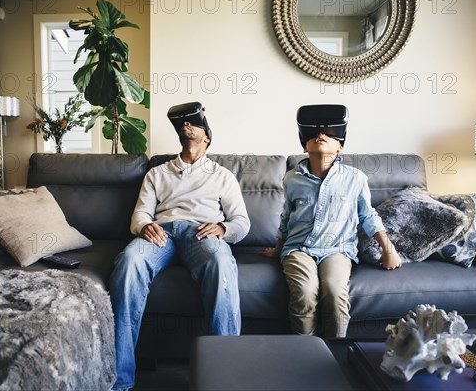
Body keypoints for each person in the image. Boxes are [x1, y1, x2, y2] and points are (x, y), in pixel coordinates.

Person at [109, 102, 250, 391]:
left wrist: (223, 228)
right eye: (182, 125)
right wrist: (144, 226)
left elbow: (242, 221)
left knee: (221, 263)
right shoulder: (157, 174)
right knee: (129, 261)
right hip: (162, 234)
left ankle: (225, 380)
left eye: (193, 124)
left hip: (202, 234)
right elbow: (140, 213)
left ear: (207, 136)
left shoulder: (223, 176)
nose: (186, 127)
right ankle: (119, 380)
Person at [262, 105, 401, 338]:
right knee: (305, 292)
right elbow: (286, 217)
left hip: (338, 250)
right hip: (299, 249)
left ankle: (334, 356)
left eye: (328, 134)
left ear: (340, 146)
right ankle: (305, 351)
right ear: (304, 145)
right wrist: (278, 249)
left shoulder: (355, 178)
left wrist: (389, 249)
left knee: (335, 291)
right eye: (314, 134)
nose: (320, 135)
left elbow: (368, 216)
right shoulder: (292, 178)